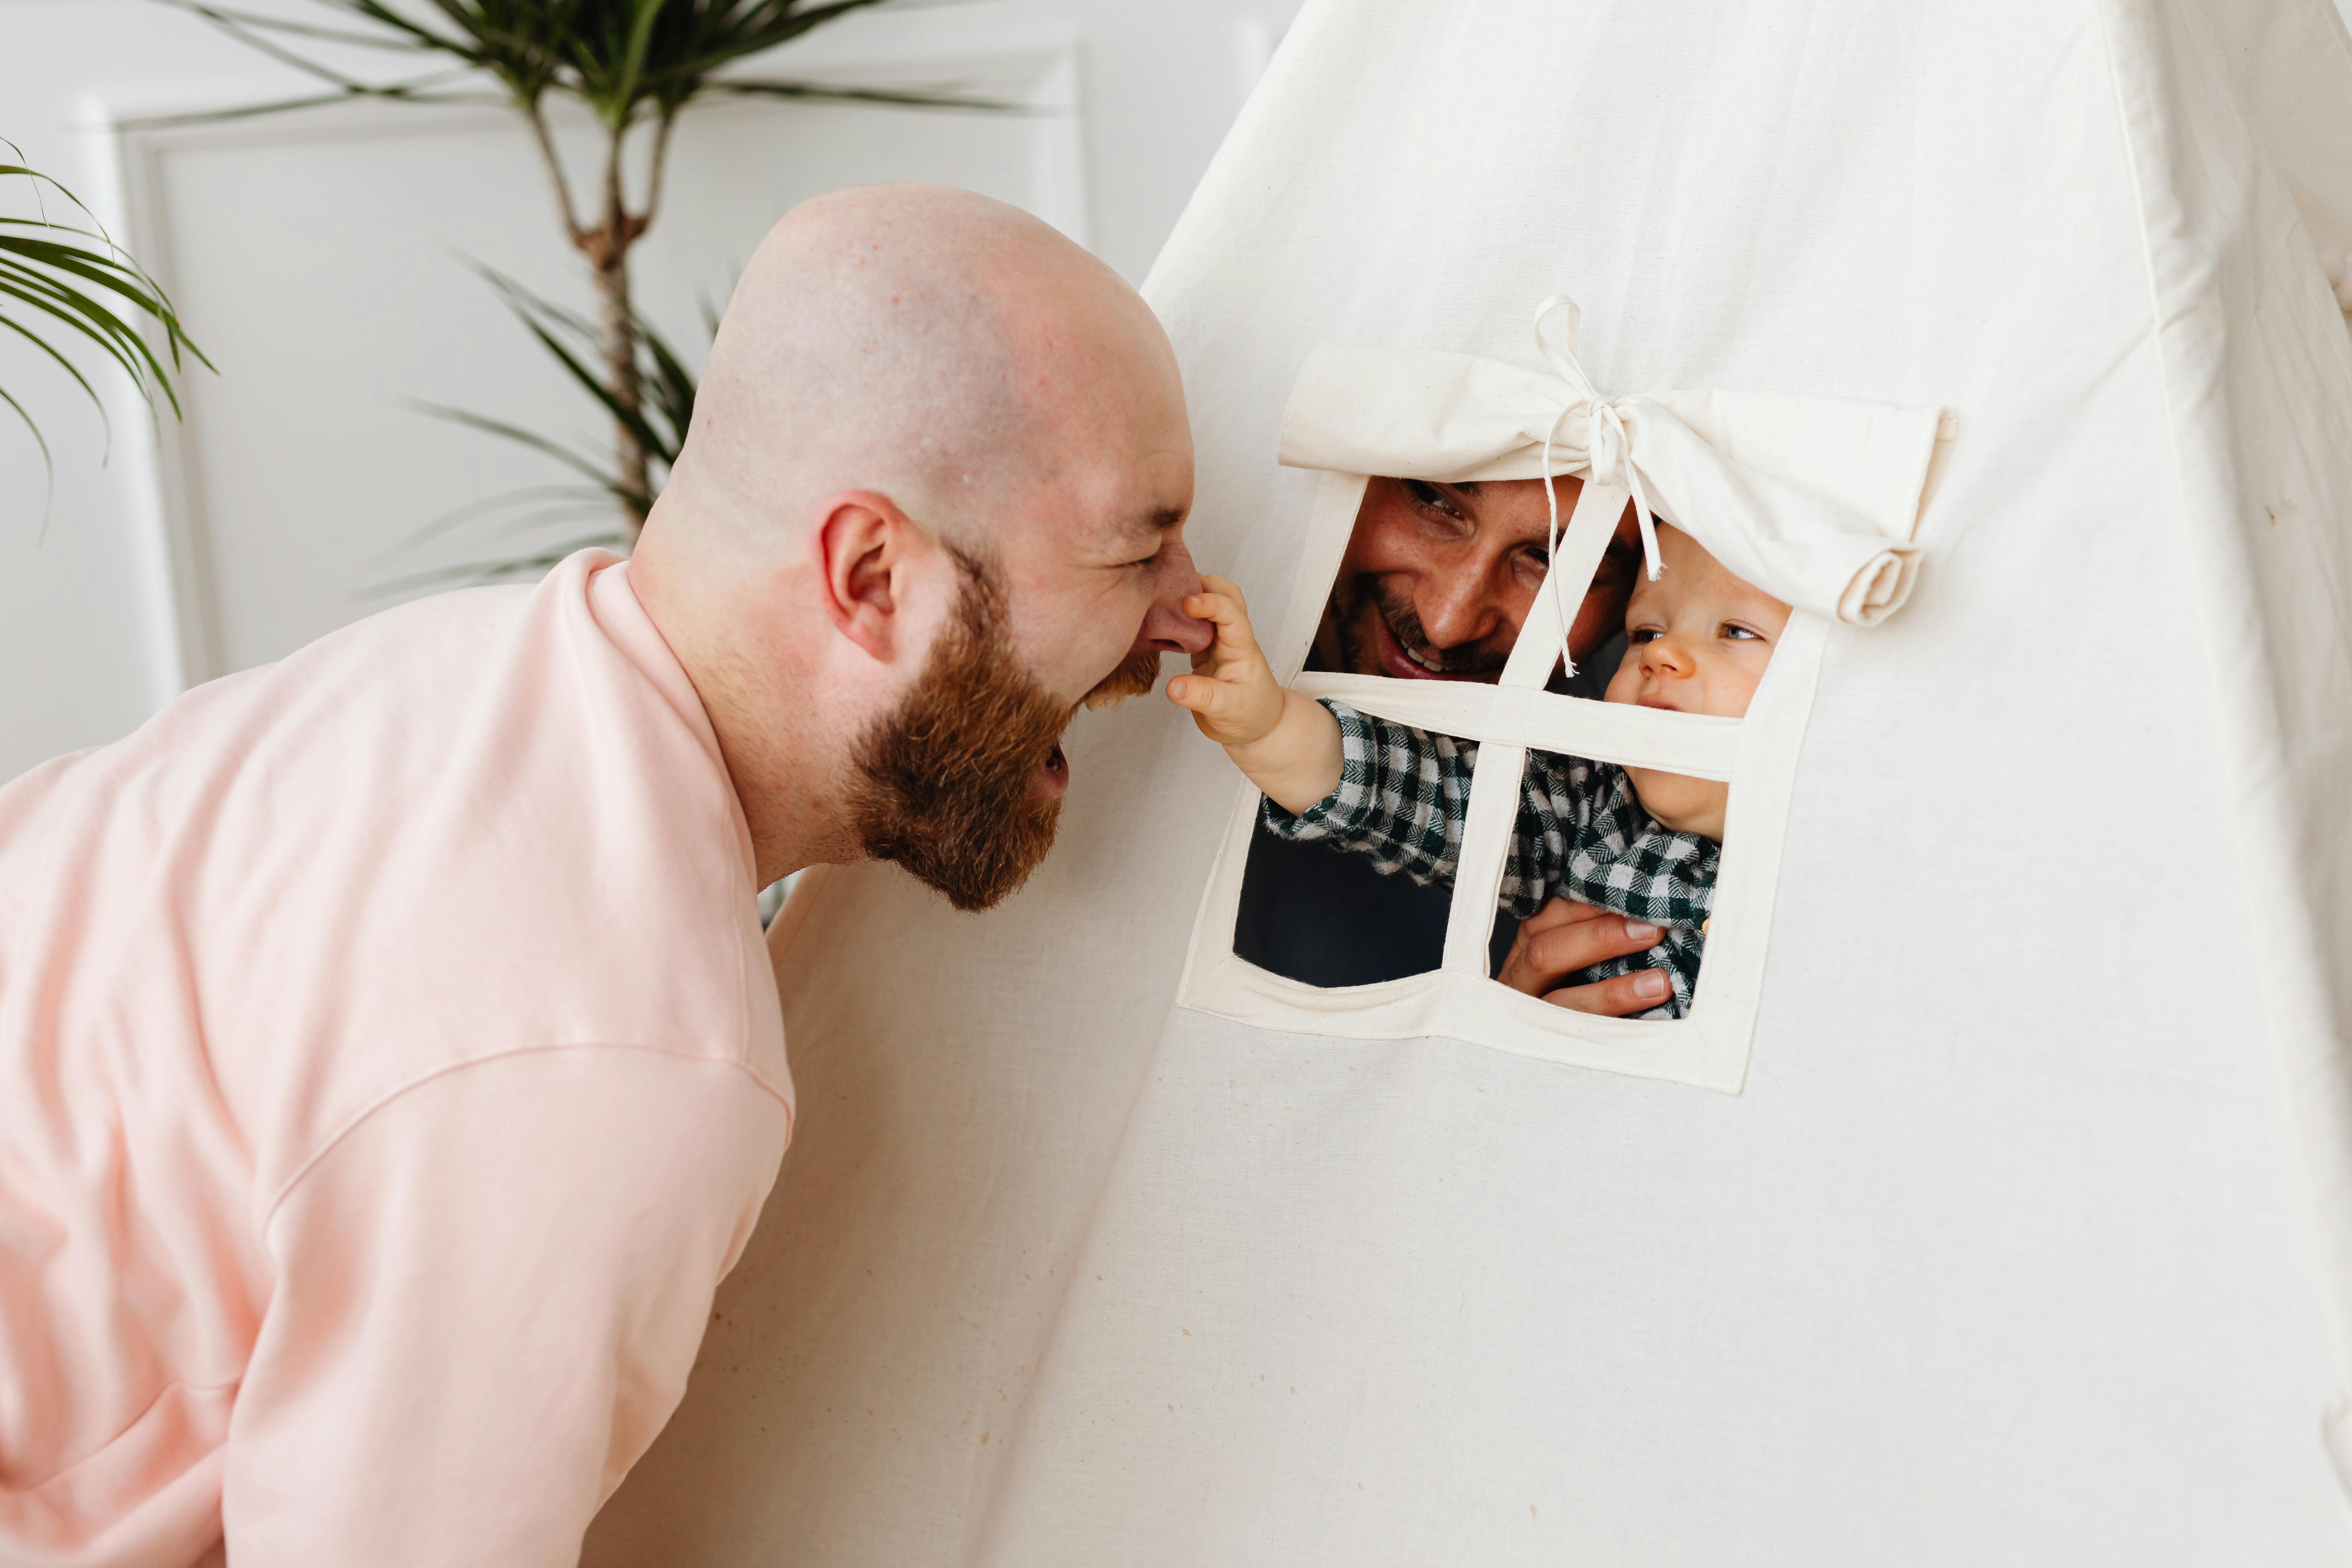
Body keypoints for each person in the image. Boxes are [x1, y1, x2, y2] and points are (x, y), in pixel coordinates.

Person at [0, 185, 1210, 1567]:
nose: (1188, 613)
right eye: (1134, 548)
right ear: (872, 573)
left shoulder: (473, 675)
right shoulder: (613, 1048)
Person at [1174, 522, 1793, 1018]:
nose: (1661, 654)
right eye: (1646, 630)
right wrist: (1274, 730)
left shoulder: (1838, 877)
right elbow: (1426, 796)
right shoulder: (1592, 814)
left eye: (1736, 632)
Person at [1229, 474, 1675, 1012]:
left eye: (1548, 559)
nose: (1447, 623)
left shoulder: (1643, 758)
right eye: (1435, 501)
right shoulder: (1208, 613)